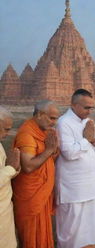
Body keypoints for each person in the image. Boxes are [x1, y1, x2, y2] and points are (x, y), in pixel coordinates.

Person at [55, 89, 95, 248]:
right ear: (74, 105)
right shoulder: (63, 123)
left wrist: (93, 141)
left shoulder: (88, 122)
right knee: (72, 230)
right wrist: (87, 140)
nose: (90, 111)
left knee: (93, 227)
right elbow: (69, 153)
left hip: (90, 184)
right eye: (86, 108)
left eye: (92, 108)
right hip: (73, 187)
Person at [12, 100, 59, 248]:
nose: (54, 122)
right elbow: (28, 166)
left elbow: (48, 160)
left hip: (42, 192)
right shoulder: (27, 134)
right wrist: (49, 150)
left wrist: (54, 151)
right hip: (30, 195)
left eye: (56, 118)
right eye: (52, 118)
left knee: (43, 234)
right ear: (39, 114)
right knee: (31, 238)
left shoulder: (45, 132)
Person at [0, 106, 20, 248]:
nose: (8, 134)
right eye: (6, 129)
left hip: (4, 208)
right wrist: (11, 168)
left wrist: (13, 168)